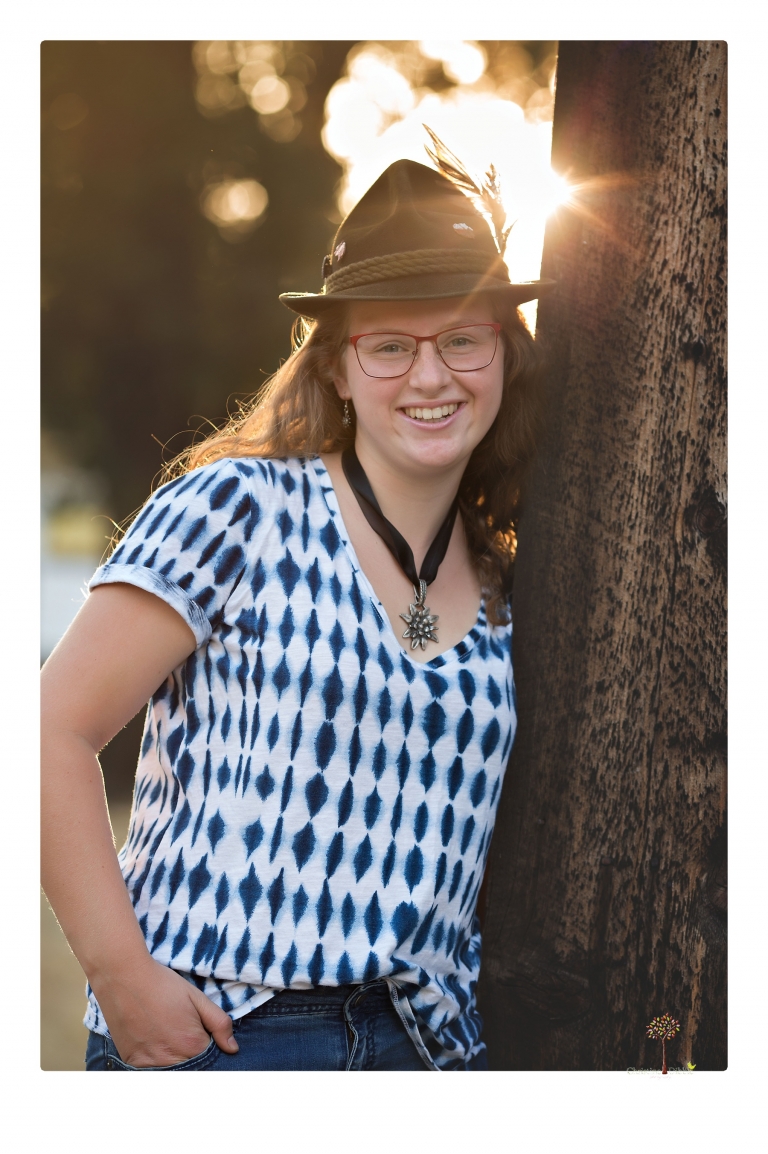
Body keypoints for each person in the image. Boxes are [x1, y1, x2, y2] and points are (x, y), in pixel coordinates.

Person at [41, 151, 551, 1071]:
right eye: (390, 345)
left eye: (462, 341)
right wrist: (120, 979)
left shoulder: (514, 578)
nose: (430, 376)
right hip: (227, 1038)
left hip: (424, 1052)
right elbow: (45, 734)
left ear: (504, 355)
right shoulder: (239, 509)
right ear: (340, 369)